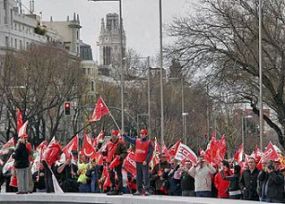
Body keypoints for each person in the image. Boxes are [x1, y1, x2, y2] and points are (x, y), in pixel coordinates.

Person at [123, 129, 154, 196]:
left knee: (145, 176)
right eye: (140, 134)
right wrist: (125, 135)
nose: (141, 135)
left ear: (146, 135)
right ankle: (139, 190)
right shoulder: (137, 141)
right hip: (138, 161)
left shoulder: (149, 142)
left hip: (144, 162)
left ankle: (147, 190)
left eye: (143, 134)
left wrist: (146, 160)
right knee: (138, 176)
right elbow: (130, 140)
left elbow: (150, 153)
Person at [105, 130, 127, 195]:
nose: (113, 136)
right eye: (112, 135)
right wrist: (104, 153)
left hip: (117, 161)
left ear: (117, 136)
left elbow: (125, 152)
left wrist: (120, 156)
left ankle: (120, 189)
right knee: (111, 175)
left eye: (114, 135)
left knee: (119, 174)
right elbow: (106, 151)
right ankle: (113, 187)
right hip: (110, 161)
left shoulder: (121, 143)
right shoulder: (108, 143)